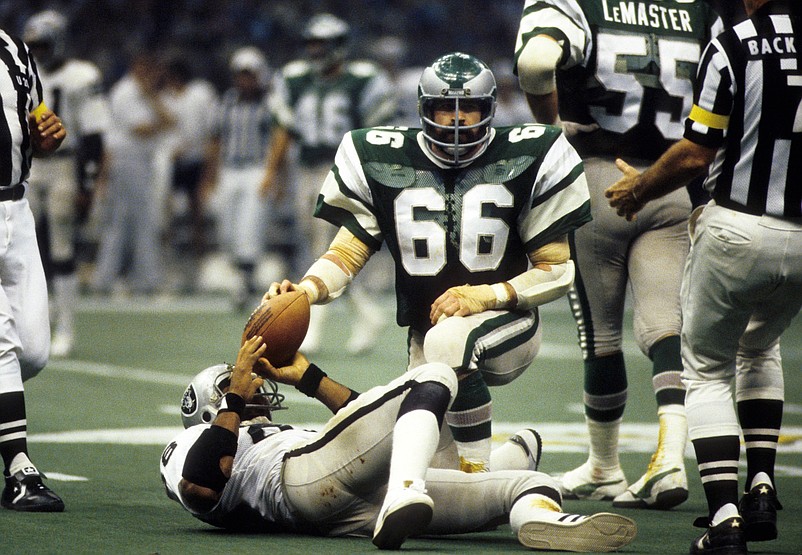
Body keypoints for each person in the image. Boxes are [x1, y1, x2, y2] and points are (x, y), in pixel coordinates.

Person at [266, 52, 591, 473]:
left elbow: (557, 268)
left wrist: (486, 296)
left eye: (469, 106)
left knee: (449, 341)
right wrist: (304, 291)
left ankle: (482, 477)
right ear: (423, 108)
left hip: (509, 320)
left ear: (490, 109)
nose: (457, 119)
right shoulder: (381, 157)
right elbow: (345, 253)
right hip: (426, 334)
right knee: (414, 463)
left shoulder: (532, 153)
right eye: (444, 107)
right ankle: (515, 458)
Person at [606, 1, 799, 552]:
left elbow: (695, 153)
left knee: (707, 370)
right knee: (760, 347)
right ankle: (761, 483)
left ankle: (726, 521)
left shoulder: (737, 41)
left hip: (738, 227)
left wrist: (639, 189)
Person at [514, 0, 721, 509]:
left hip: (599, 178)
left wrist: (554, 126)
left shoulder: (583, 5)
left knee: (601, 332)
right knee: (665, 327)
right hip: (671, 181)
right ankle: (670, 457)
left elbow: (535, 63)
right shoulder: (701, 11)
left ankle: (605, 467)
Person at [161, 335, 637, 551]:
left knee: (531, 481)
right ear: (206, 404)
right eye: (240, 382)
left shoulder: (260, 428)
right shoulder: (198, 441)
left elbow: (367, 420)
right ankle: (408, 487)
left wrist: (310, 379)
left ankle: (542, 524)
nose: (256, 389)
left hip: (346, 504)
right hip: (294, 483)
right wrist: (233, 400)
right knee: (431, 373)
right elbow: (202, 483)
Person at [260, 13, 397, 354]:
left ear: (339, 47)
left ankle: (313, 327)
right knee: (317, 247)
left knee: (324, 248)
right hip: (305, 170)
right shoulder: (294, 80)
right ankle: (366, 313)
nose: (315, 51)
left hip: (342, 170)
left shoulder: (362, 81)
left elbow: (376, 134)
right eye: (312, 43)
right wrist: (272, 173)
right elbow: (284, 131)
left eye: (322, 44)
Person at [0, 26, 66, 511]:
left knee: (33, 351)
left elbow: (38, 123)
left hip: (17, 210)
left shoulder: (14, 50)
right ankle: (20, 470)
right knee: (1, 344)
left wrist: (50, 134)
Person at [23, 9, 111, 357]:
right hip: (31, 165)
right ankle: (33, 323)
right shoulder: (25, 72)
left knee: (61, 248)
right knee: (28, 245)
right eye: (34, 45)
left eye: (44, 44)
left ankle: (66, 326)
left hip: (63, 164)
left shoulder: (82, 76)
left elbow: (93, 134)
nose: (39, 52)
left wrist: (88, 183)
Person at [91, 50, 175, 296]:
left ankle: (117, 280)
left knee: (132, 222)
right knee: (133, 222)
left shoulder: (146, 94)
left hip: (140, 163)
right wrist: (160, 118)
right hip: (126, 162)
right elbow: (142, 129)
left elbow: (171, 120)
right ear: (138, 66)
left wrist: (154, 103)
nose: (153, 74)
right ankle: (139, 280)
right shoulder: (125, 91)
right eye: (149, 67)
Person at [198, 46, 272, 309]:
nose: (245, 81)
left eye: (250, 75)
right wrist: (209, 177)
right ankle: (241, 279)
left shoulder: (268, 104)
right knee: (227, 229)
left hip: (256, 169)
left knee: (249, 227)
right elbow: (215, 141)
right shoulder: (225, 103)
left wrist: (275, 176)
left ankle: (245, 283)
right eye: (241, 75)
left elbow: (278, 143)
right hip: (229, 169)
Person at [160, 53, 218, 293]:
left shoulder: (200, 94)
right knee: (168, 216)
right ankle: (170, 269)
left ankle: (198, 270)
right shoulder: (165, 98)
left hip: (196, 160)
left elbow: (211, 132)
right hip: (173, 163)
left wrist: (210, 171)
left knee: (197, 216)